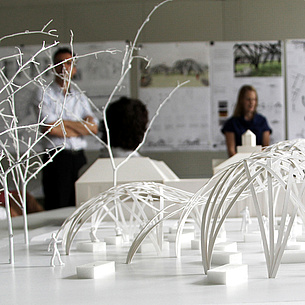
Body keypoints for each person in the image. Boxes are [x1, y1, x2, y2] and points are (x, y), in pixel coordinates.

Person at [38, 47, 98, 210]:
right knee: (58, 206)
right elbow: (51, 128)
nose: (64, 67)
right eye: (59, 63)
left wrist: (63, 122)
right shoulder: (45, 94)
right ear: (53, 67)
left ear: (75, 68)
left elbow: (93, 128)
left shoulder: (79, 95)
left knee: (80, 206)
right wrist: (80, 124)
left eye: (69, 63)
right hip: (56, 158)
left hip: (78, 158)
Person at [221, 85, 272, 157]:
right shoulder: (231, 123)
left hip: (258, 163)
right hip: (238, 164)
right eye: (248, 99)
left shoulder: (262, 121)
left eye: (254, 99)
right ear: (241, 100)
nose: (251, 102)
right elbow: (231, 151)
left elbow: (266, 148)